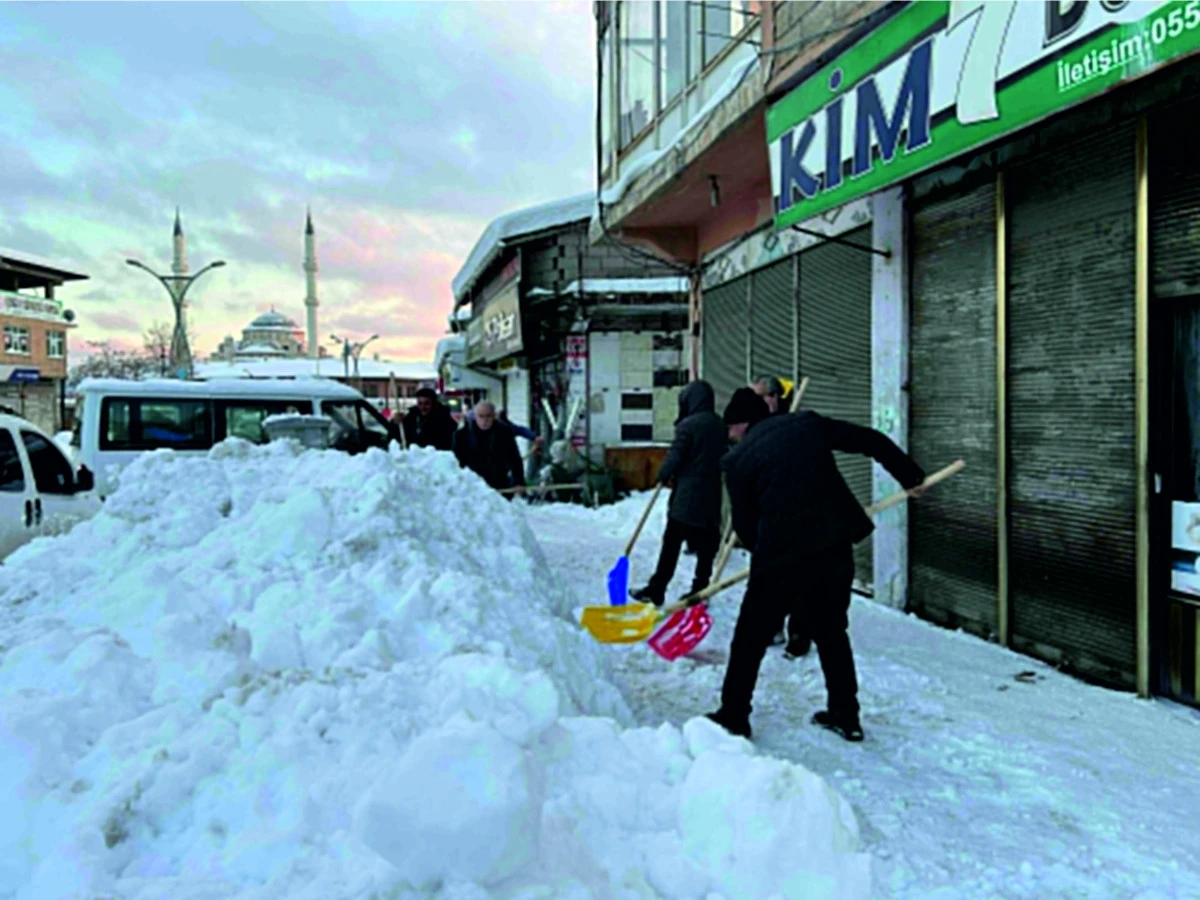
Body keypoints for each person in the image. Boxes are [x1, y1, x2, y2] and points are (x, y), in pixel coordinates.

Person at [707, 387, 926, 743]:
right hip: (832, 547)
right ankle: (845, 714)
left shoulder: (737, 461)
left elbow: (747, 530)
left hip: (779, 559)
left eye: (730, 430)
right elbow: (869, 439)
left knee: (750, 638)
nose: (730, 438)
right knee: (831, 632)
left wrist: (765, 549)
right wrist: (910, 477)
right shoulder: (806, 424)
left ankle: (734, 715)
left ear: (742, 425)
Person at [630, 380, 727, 605]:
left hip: (686, 499)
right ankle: (700, 589)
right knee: (706, 548)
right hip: (712, 498)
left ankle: (657, 589)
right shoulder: (719, 424)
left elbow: (676, 455)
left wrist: (662, 475)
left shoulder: (687, 426)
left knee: (671, 544)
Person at [453, 401, 526, 497]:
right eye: (481, 416)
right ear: (475, 416)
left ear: (494, 416)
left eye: (488, 416)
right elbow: (456, 462)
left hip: (499, 484)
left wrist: (519, 482)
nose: (485, 420)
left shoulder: (504, 432)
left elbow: (514, 458)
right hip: (471, 486)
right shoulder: (461, 435)